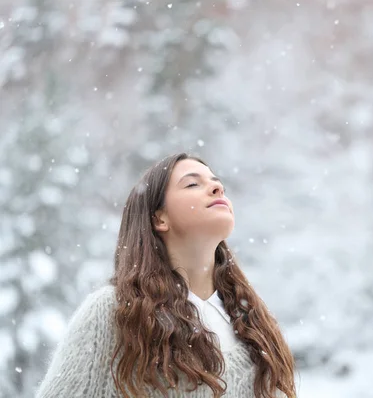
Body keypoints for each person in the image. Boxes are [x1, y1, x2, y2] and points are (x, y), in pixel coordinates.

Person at [35, 153, 297, 397]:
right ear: (159, 219)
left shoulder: (252, 321)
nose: (218, 189)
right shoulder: (114, 312)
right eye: (192, 184)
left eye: (219, 185)